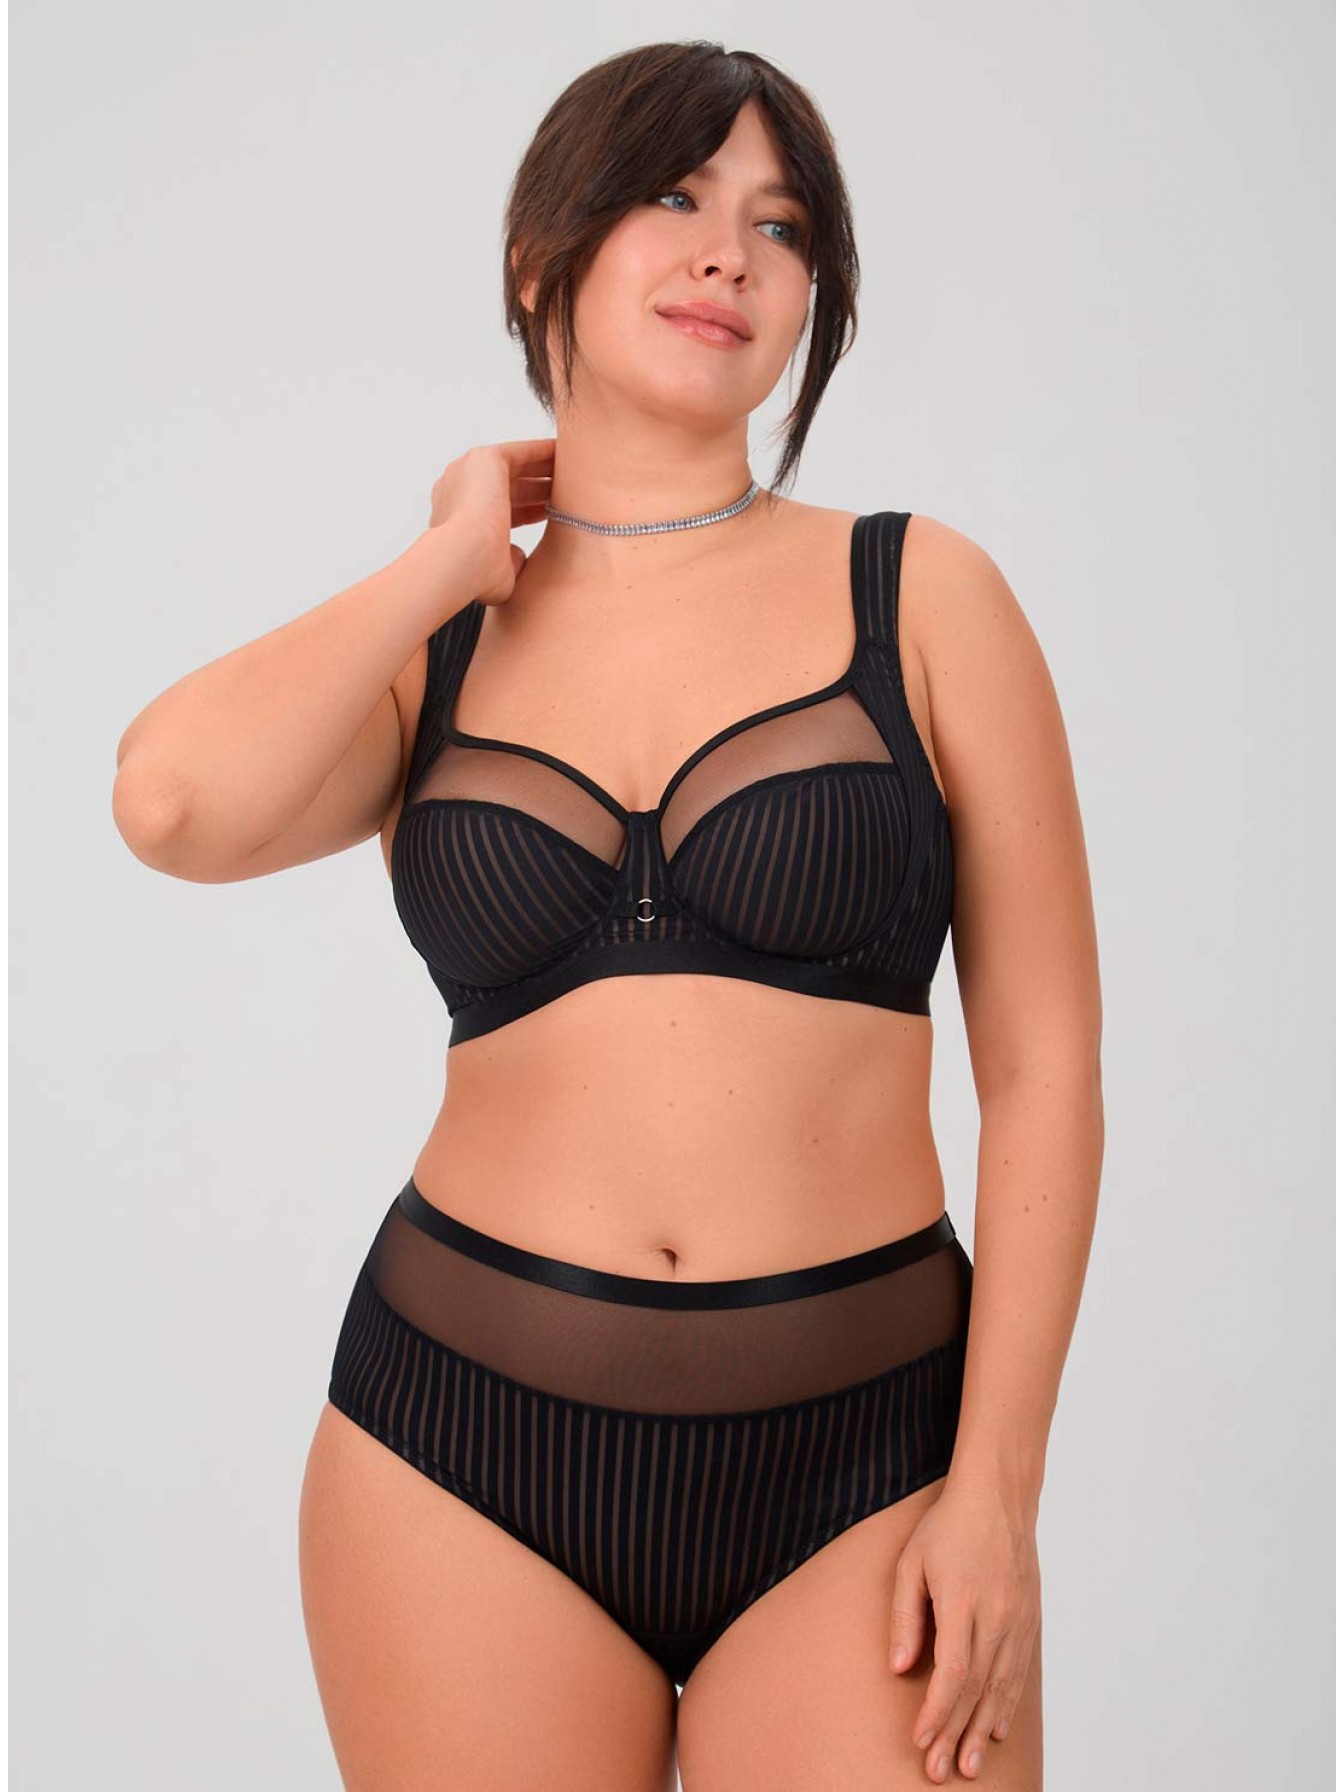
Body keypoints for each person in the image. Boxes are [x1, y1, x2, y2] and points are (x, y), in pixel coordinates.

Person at [112, 40, 1102, 1792]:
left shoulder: (922, 593)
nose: (729, 251)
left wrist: (997, 1496)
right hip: (456, 1453)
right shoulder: (437, 648)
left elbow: (1045, 1071)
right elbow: (170, 806)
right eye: (673, 195)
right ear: (537, 258)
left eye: (780, 226)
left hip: (869, 1464)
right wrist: (444, 559)